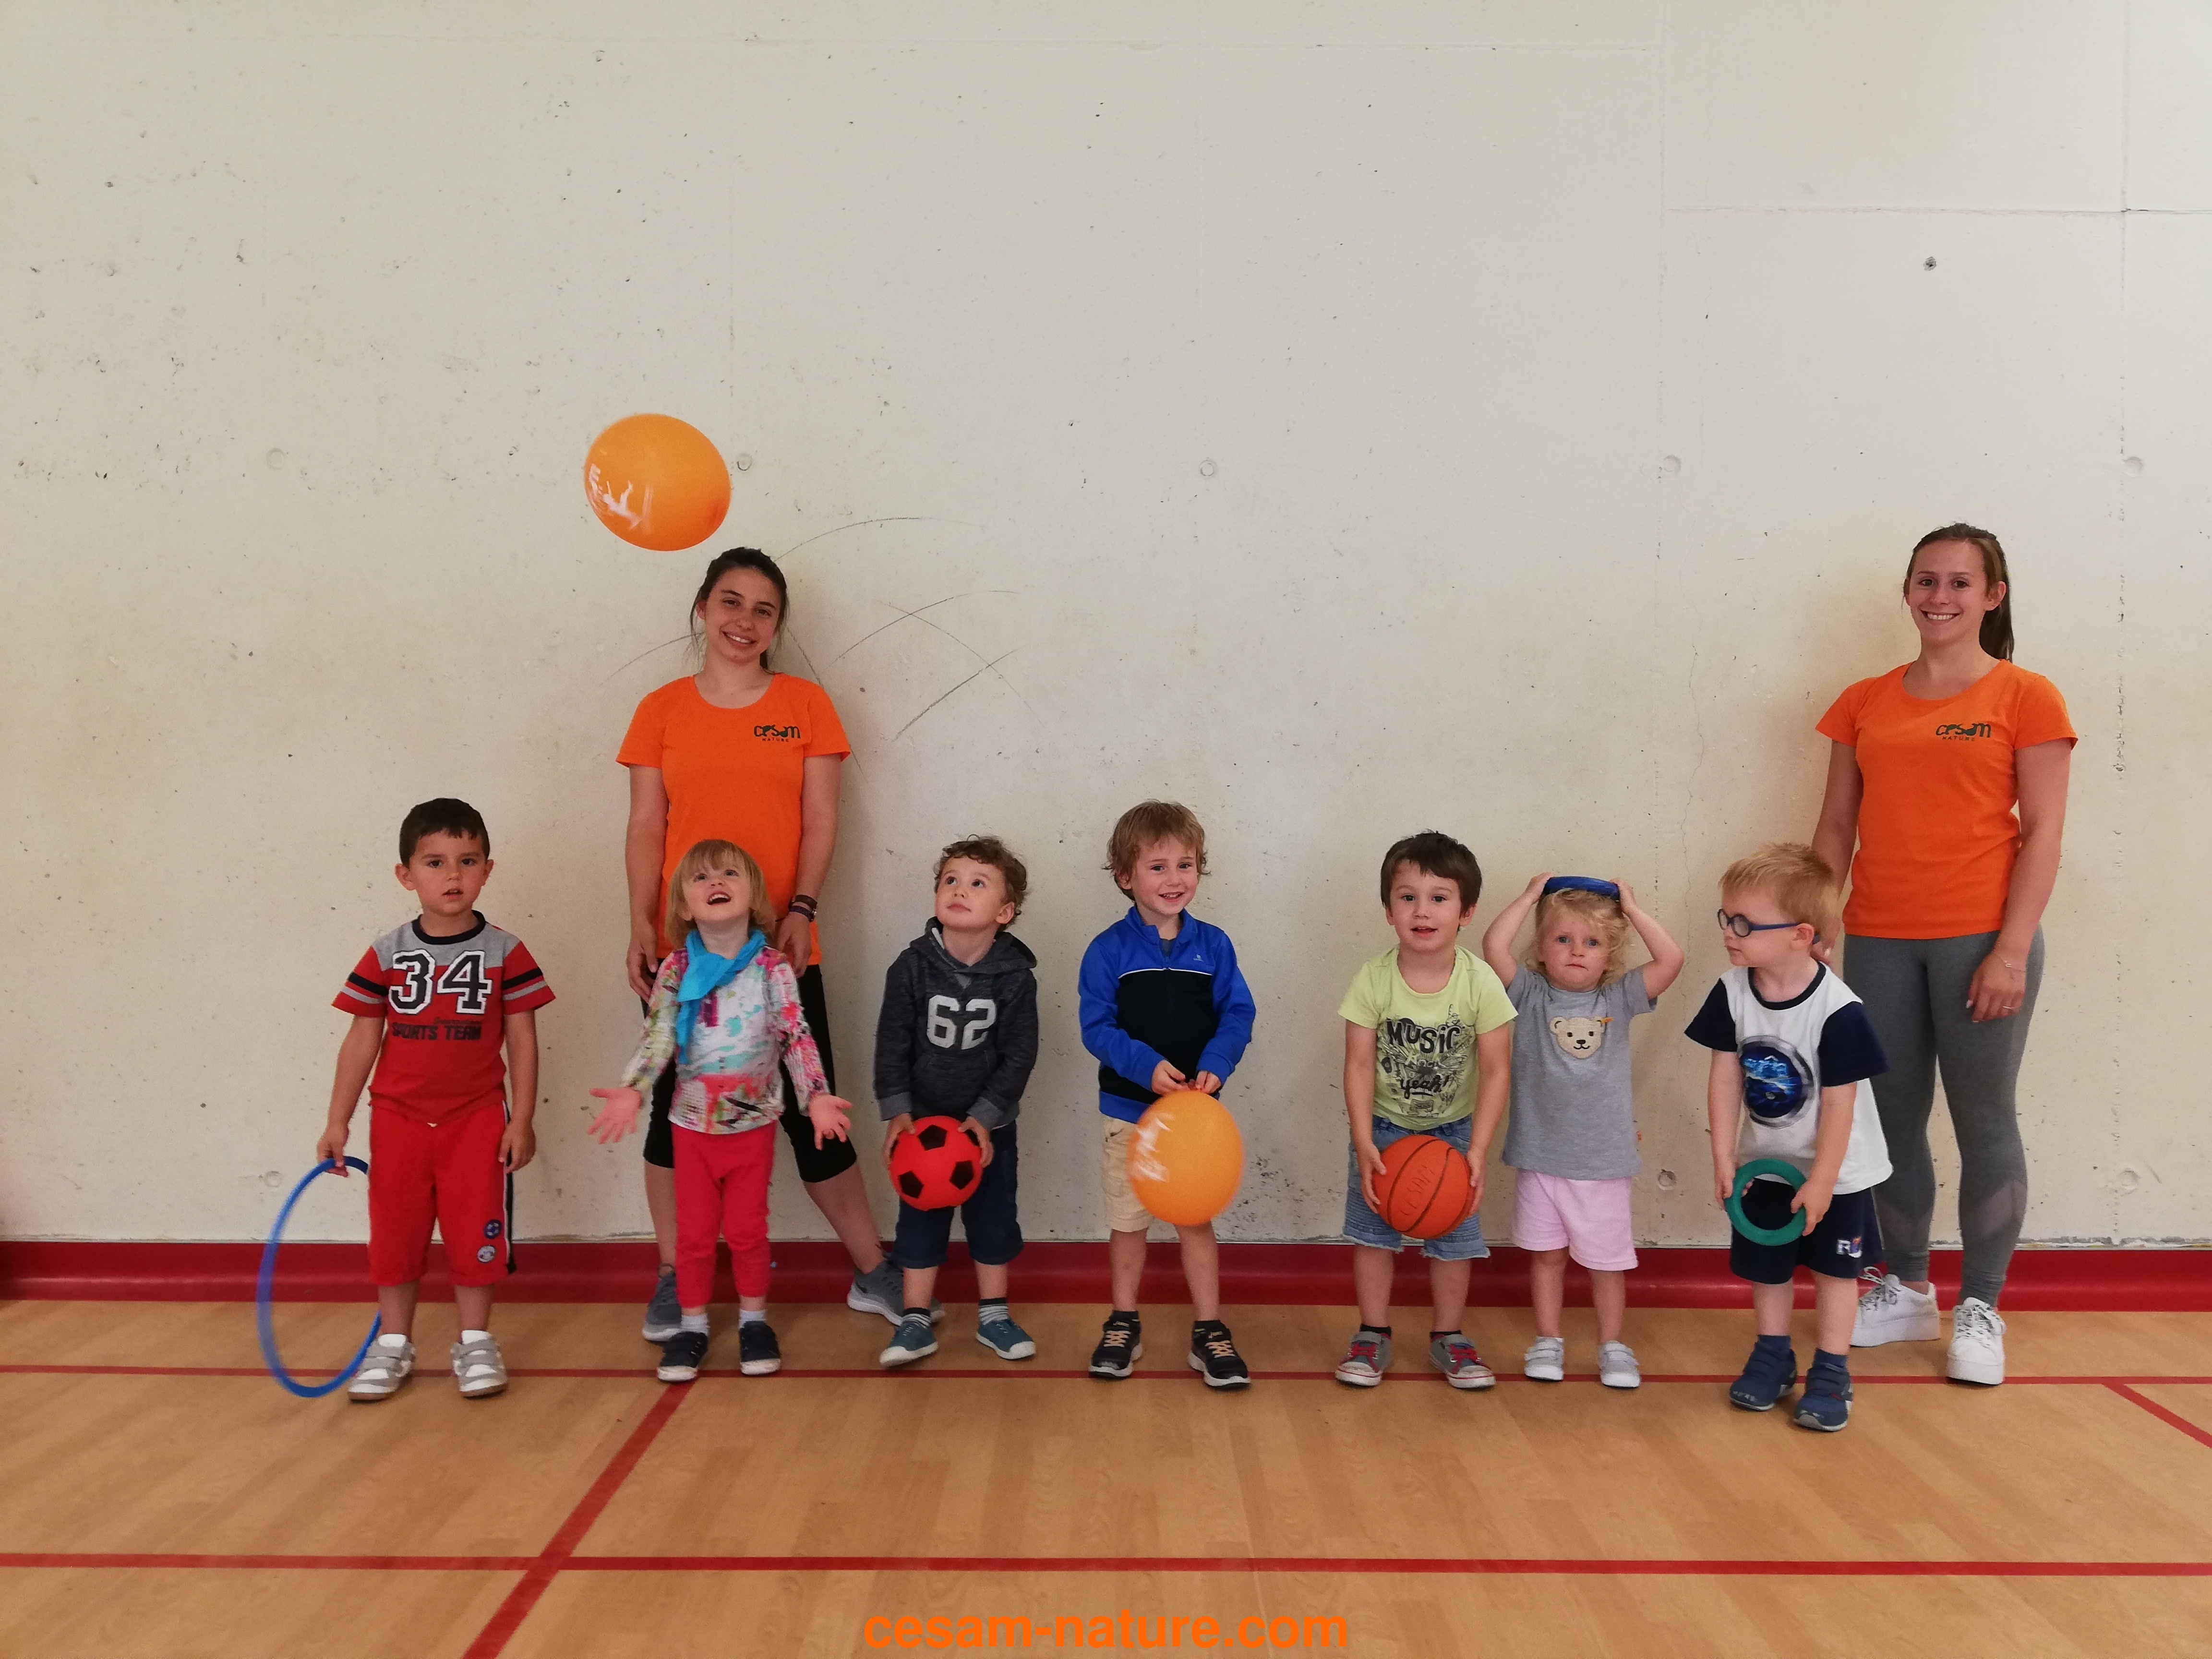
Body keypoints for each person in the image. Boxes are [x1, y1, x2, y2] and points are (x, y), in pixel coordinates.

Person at [618, 548, 911, 1344]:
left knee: (815, 1111)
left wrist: (804, 909)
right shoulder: (660, 711)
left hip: (779, 952)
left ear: (777, 625)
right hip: (684, 959)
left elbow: (821, 820)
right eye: (730, 601)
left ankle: (871, 1270)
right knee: (671, 1120)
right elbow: (645, 826)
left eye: (763, 609)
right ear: (702, 608)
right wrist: (641, 921)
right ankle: (676, 1277)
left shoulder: (806, 705)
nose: (744, 621)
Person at [1811, 525, 2075, 1385]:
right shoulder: (1862, 701)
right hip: (1880, 936)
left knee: (1983, 1118)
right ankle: (1908, 1286)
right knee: (1889, 1118)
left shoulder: (2026, 696)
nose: (1940, 597)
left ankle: (1981, 1307)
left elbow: (2043, 835)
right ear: (1907, 590)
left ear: (1992, 596)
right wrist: (1815, 920)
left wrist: (2010, 950)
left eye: (1960, 583)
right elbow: (1835, 825)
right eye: (1926, 580)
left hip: (1980, 938)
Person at [588, 840, 852, 1382]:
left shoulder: (773, 969)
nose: (716, 882)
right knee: (694, 1235)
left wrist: (817, 1096)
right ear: (684, 907)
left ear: (753, 896)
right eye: (701, 878)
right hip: (692, 1129)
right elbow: (658, 1037)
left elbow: (796, 1036)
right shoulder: (675, 970)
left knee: (749, 1231)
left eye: (730, 873)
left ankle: (755, 1321)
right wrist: (634, 1089)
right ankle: (692, 1326)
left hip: (752, 1127)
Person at [320, 798, 554, 1402]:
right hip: (397, 1120)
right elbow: (363, 1036)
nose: (453, 875)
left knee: (476, 1233)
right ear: (406, 875)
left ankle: (475, 1340)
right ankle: (393, 1342)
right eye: (435, 862)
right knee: (395, 1235)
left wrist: (523, 1118)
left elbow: (523, 1039)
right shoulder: (386, 951)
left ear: (487, 870)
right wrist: (338, 1120)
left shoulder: (507, 951)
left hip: (477, 1120)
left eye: (468, 861)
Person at [1686, 844, 1892, 1432]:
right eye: (1727, 918)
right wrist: (1724, 1155)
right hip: (1767, 1164)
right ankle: (1773, 1356)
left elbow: (1841, 1103)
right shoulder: (1732, 991)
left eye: (1744, 924)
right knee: (1768, 1269)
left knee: (1835, 1273)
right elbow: (1725, 1075)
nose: (1729, 933)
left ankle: (1831, 1371)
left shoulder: (1838, 1010)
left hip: (1838, 1171)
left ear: (1801, 935)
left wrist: (1824, 1180)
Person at [1479, 874, 1683, 1390]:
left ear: (1610, 955)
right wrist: (1530, 897)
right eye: (1563, 939)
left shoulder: (1619, 997)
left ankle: (1613, 1346)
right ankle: (1548, 1339)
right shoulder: (1529, 993)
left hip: (1602, 1164)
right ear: (1541, 948)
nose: (1576, 951)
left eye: (1592, 942)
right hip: (1540, 1159)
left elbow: (1671, 960)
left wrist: (1631, 908)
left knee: (1605, 1264)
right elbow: (1493, 946)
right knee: (1547, 1258)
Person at [1079, 801, 1258, 1388]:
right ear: (1124, 876)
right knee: (1128, 1225)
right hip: (1127, 1116)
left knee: (1195, 1224)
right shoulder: (1107, 950)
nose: (1174, 879)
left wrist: (1216, 1065)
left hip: (1194, 1125)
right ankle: (1123, 1321)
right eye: (1157, 867)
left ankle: (1209, 1329)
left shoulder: (1216, 946)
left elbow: (1238, 1014)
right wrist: (1145, 1066)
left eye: (1185, 865)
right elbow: (1097, 1028)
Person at [1334, 831, 1515, 1392]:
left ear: (1466, 912)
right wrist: (1364, 1140)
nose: (1422, 910)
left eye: (1439, 898)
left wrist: (1478, 1149)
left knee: (1455, 1243)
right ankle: (1372, 1333)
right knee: (1373, 1237)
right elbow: (1358, 1065)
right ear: (1389, 910)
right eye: (1407, 897)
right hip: (1384, 1129)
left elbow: (1498, 1071)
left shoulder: (1480, 982)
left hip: (1454, 1132)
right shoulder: (1373, 978)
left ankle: (1449, 1337)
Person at [873, 837, 1041, 1368]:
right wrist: (898, 1112)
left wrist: (984, 1120)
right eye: (950, 880)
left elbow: (1020, 1055)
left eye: (977, 883)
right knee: (919, 1222)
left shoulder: (1016, 978)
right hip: (923, 1128)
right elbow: (891, 1044)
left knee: (993, 1221)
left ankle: (995, 1316)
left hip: (990, 1131)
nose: (959, 890)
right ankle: (914, 1320)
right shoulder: (910, 968)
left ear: (1004, 912)